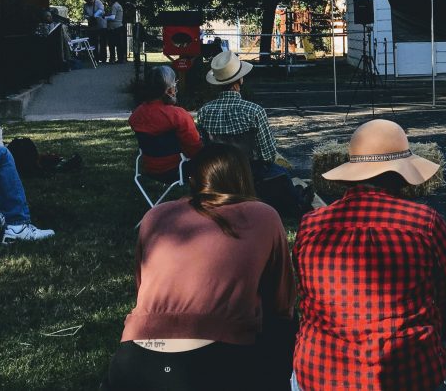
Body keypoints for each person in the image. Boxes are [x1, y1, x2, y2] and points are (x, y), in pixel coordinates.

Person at [292, 119, 446, 391]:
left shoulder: (312, 225)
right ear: (400, 176)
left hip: (320, 378)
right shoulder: (424, 223)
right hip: (410, 378)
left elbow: (303, 300)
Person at [101, 143, 296, 391]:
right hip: (209, 364)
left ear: (192, 178)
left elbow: (142, 286)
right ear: (244, 177)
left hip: (134, 360)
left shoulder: (156, 215)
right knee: (283, 326)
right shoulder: (263, 215)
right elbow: (282, 302)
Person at [197, 51, 311, 221]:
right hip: (251, 172)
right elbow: (268, 155)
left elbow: (204, 146)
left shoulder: (204, 111)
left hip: (218, 172)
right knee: (282, 174)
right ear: (240, 80)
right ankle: (297, 203)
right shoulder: (254, 111)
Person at [129, 66, 203, 182]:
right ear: (169, 90)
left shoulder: (136, 115)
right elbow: (195, 150)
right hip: (177, 170)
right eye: (174, 85)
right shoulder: (178, 115)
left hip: (149, 169)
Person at [84, 0, 107, 64]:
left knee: (103, 42)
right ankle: (96, 58)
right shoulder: (85, 5)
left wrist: (94, 16)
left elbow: (101, 10)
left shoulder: (98, 2)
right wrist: (88, 17)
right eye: (87, 1)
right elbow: (85, 14)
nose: (89, 2)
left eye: (90, 0)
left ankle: (103, 59)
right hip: (92, 26)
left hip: (101, 25)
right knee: (94, 42)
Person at [106, 0, 126, 64]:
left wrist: (104, 17)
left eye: (108, 2)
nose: (108, 4)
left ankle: (112, 59)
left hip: (114, 28)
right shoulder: (119, 5)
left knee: (112, 44)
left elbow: (112, 17)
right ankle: (121, 59)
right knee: (119, 44)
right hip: (119, 27)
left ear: (110, 1)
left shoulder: (114, 6)